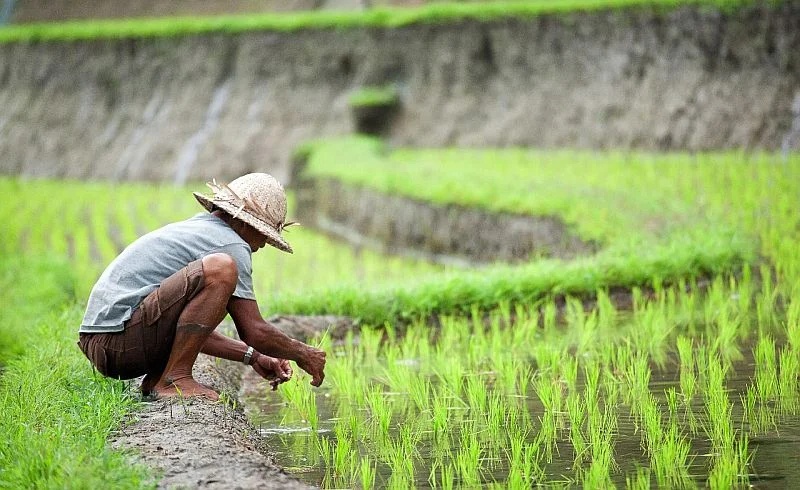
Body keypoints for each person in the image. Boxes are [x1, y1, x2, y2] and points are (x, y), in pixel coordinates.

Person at [77, 173, 326, 400]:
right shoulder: (231, 245)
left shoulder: (202, 231)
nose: (261, 245)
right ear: (244, 223)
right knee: (222, 269)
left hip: (106, 344)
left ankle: (160, 379)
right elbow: (254, 330)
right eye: (264, 235)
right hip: (117, 342)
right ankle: (174, 379)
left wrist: (254, 357)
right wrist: (304, 353)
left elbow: (188, 329)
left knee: (221, 280)